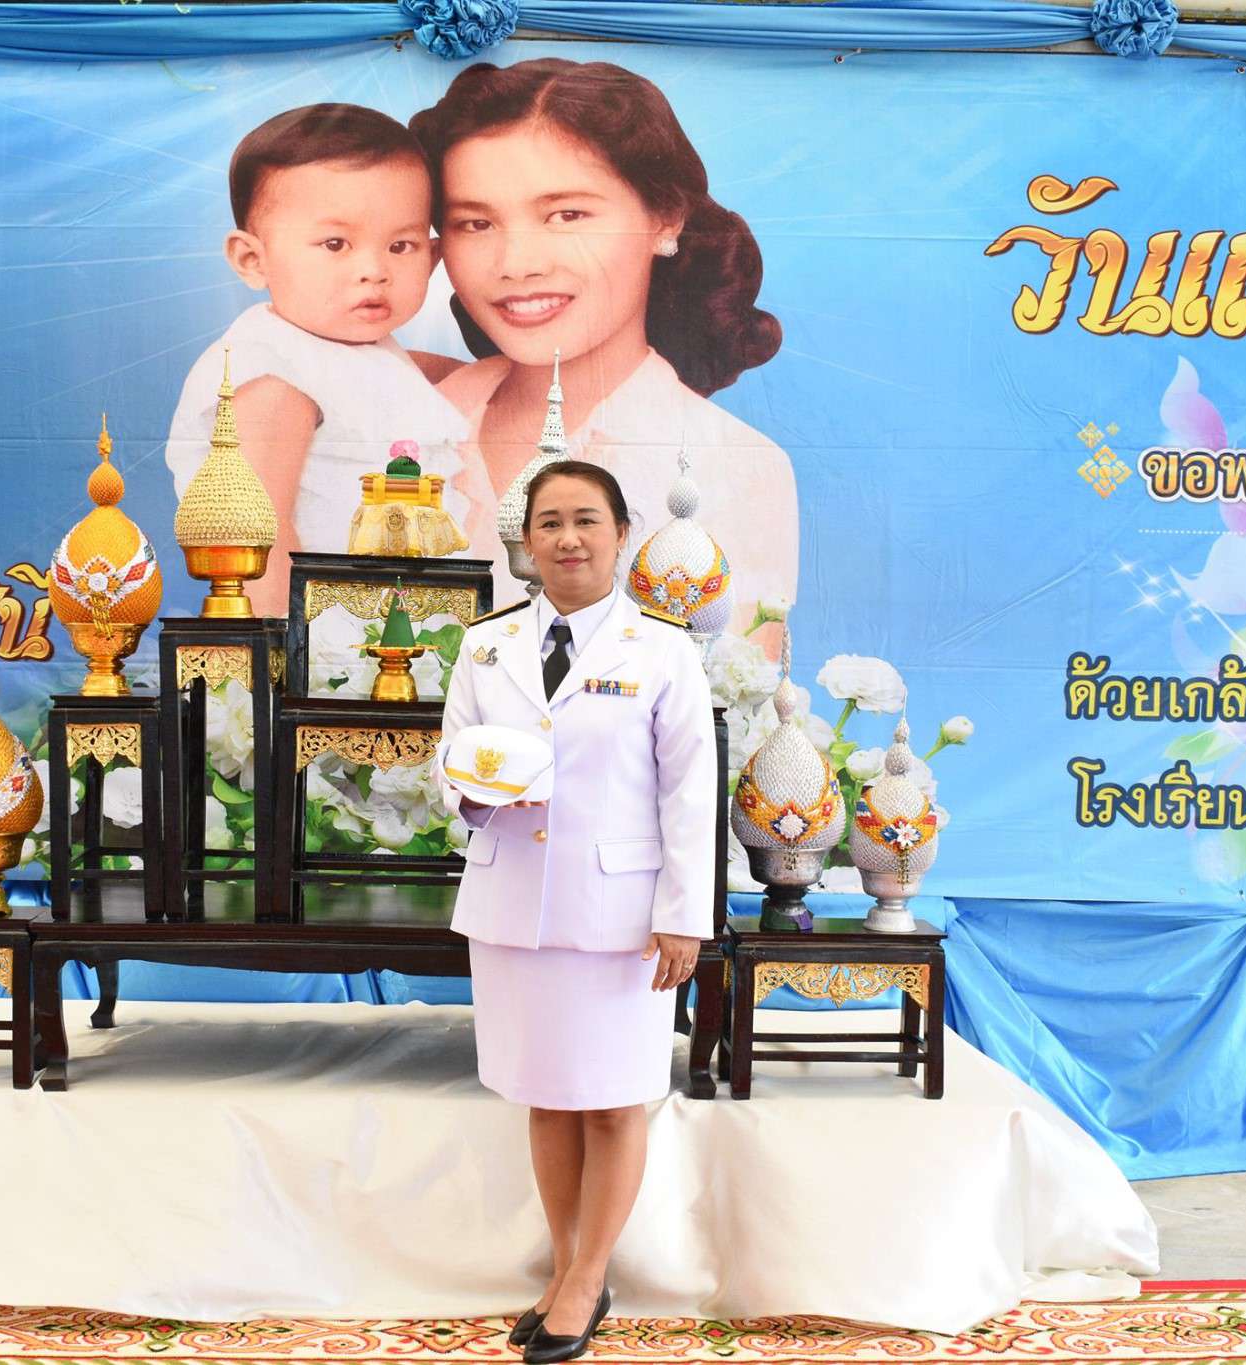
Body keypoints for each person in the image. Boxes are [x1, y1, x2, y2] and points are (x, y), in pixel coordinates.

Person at [431, 460, 715, 1364]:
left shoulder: (663, 650)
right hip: (512, 902)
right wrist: (478, 793)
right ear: (526, 541)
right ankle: (564, 1267)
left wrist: (684, 916)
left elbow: (689, 794)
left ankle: (590, 1278)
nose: (568, 538)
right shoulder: (485, 647)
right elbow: (451, 763)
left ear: (622, 533)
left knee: (615, 1101)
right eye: (549, 522)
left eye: (586, 519)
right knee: (548, 1098)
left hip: (621, 914)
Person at [410, 58, 799, 634]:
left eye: (566, 214)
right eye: (475, 224)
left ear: (665, 217)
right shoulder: (401, 419)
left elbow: (732, 683)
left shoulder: (736, 464)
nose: (517, 263)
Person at [164, 103, 470, 616]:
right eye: (335, 244)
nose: (373, 269)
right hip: (326, 628)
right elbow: (258, 535)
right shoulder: (271, 377)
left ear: (433, 258)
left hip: (404, 614)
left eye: (401, 246)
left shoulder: (358, 350)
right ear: (252, 259)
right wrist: (281, 651)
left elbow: (405, 381)